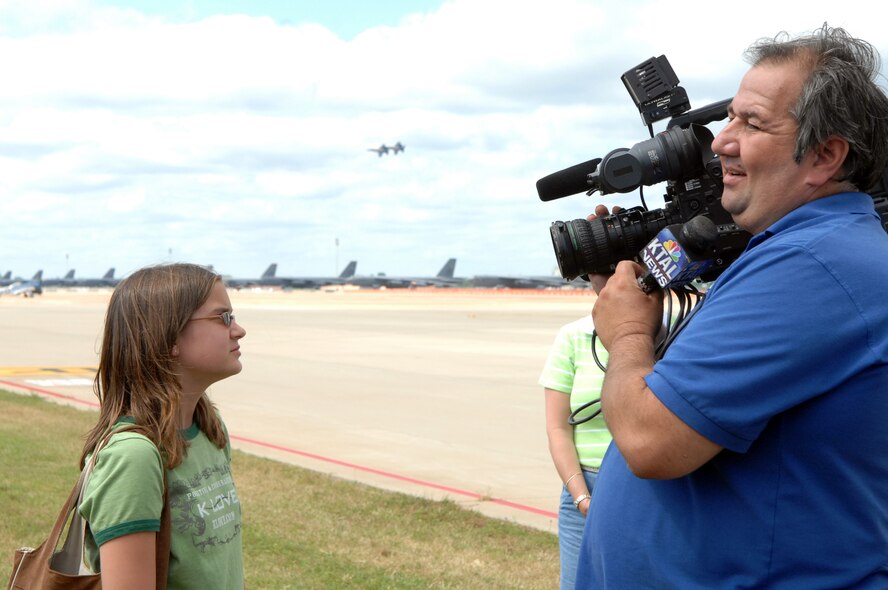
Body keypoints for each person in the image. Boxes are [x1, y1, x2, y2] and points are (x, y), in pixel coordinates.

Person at [575, 24, 888, 588]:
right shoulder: (799, 254)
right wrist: (620, 305)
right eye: (731, 117)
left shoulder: (814, 267)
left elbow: (651, 441)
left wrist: (627, 335)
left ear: (825, 156)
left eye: (753, 122)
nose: (720, 141)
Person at [78, 263, 247, 589]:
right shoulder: (134, 458)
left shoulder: (209, 430)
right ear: (168, 337)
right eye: (222, 317)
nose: (238, 330)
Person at [538, 274, 612, 590]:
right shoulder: (575, 336)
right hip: (585, 489)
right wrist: (582, 498)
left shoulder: (673, 331)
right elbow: (557, 427)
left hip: (653, 488)